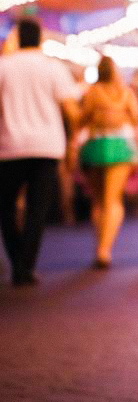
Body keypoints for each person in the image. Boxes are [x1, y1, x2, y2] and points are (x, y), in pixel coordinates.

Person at [0, 17, 79, 285]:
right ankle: (26, 265)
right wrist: (72, 141)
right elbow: (71, 109)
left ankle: (17, 260)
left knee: (6, 207)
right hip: (47, 146)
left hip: (10, 146)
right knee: (38, 208)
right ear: (41, 38)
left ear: (18, 37)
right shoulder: (53, 67)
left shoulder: (4, 67)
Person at [76, 55, 138, 268]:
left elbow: (82, 119)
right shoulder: (126, 93)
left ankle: (101, 246)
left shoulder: (93, 93)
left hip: (96, 145)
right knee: (113, 199)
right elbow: (136, 117)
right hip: (119, 146)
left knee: (99, 200)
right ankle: (105, 249)